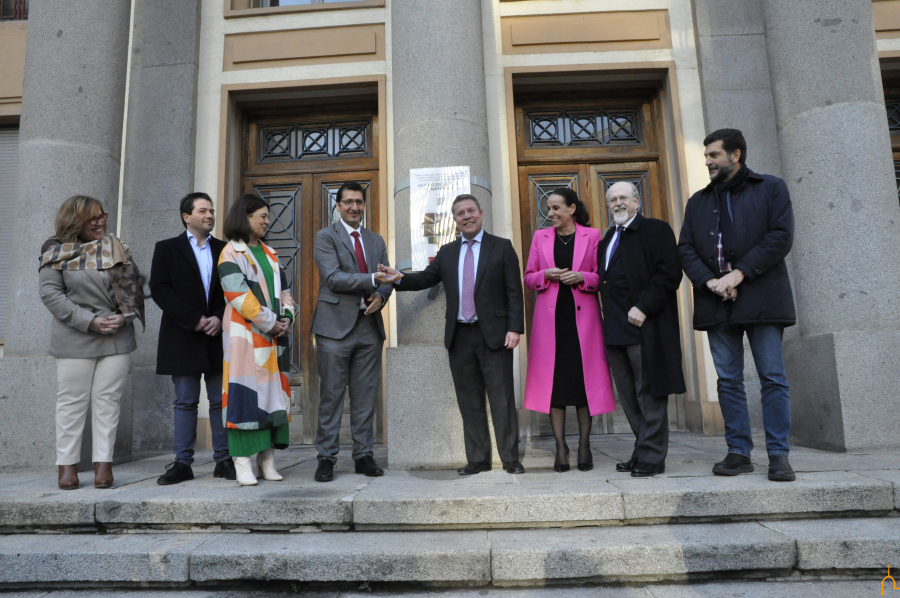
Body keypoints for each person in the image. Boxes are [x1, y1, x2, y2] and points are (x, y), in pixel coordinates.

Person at [678, 128, 797, 482]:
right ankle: (738, 452)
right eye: (706, 156)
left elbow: (781, 236)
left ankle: (778, 454)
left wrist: (739, 274)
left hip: (762, 298)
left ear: (735, 155)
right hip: (716, 302)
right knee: (728, 380)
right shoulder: (697, 201)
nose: (707, 161)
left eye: (714, 155)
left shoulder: (771, 187)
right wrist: (711, 281)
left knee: (772, 378)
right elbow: (685, 248)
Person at [380, 194, 526, 475]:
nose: (467, 216)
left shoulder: (502, 247)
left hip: (495, 335)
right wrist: (398, 277)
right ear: (455, 220)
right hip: (460, 336)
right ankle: (478, 459)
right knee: (469, 401)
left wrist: (514, 328)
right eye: (461, 213)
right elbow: (425, 278)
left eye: (471, 210)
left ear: (481, 213)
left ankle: (510, 458)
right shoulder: (447, 252)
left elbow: (513, 292)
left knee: (502, 399)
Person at [39, 195, 145, 490]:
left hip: (117, 337)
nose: (100, 222)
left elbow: (135, 288)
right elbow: (51, 295)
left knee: (108, 402)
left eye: (102, 216)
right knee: (72, 402)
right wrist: (90, 321)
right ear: (75, 221)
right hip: (75, 336)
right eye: (93, 218)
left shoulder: (117, 247)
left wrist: (124, 316)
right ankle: (67, 468)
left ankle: (103, 466)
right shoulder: (55, 251)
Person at [522, 188, 615, 472]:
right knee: (555, 385)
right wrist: (545, 275)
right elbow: (528, 277)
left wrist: (583, 277)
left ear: (571, 209)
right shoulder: (541, 237)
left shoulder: (593, 235)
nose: (549, 214)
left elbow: (604, 276)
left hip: (584, 323)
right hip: (550, 325)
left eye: (555, 208)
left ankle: (584, 444)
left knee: (583, 383)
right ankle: (561, 448)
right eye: (548, 209)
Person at [598, 182, 686, 478]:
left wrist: (644, 306)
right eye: (612, 200)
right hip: (615, 330)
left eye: (623, 198)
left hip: (645, 327)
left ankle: (652, 456)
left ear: (637, 201)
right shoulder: (608, 237)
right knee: (629, 395)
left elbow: (670, 273)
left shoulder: (657, 230)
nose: (618, 203)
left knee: (649, 392)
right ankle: (642, 449)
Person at [311, 182, 394, 483]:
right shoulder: (325, 237)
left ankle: (363, 455)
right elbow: (333, 278)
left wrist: (382, 296)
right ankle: (326, 458)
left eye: (359, 202)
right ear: (338, 205)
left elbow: (388, 279)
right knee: (331, 396)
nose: (354, 208)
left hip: (368, 327)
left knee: (365, 396)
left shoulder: (375, 240)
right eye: (348, 202)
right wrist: (373, 278)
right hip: (334, 328)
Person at [150, 192, 234, 485]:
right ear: (187, 216)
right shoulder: (167, 249)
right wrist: (194, 319)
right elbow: (159, 289)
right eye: (203, 211)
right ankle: (182, 463)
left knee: (218, 401)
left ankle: (223, 460)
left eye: (211, 210)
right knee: (185, 401)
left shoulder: (225, 249)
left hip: (216, 334)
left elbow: (233, 289)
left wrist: (219, 317)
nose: (210, 215)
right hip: (182, 335)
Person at [218, 194, 295, 486]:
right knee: (244, 396)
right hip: (245, 336)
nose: (266, 221)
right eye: (261, 216)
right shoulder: (230, 253)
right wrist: (271, 322)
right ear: (244, 217)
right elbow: (237, 295)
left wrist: (288, 317)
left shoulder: (271, 253)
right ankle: (242, 463)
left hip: (274, 338)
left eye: (267, 216)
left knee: (273, 397)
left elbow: (286, 293)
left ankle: (267, 459)